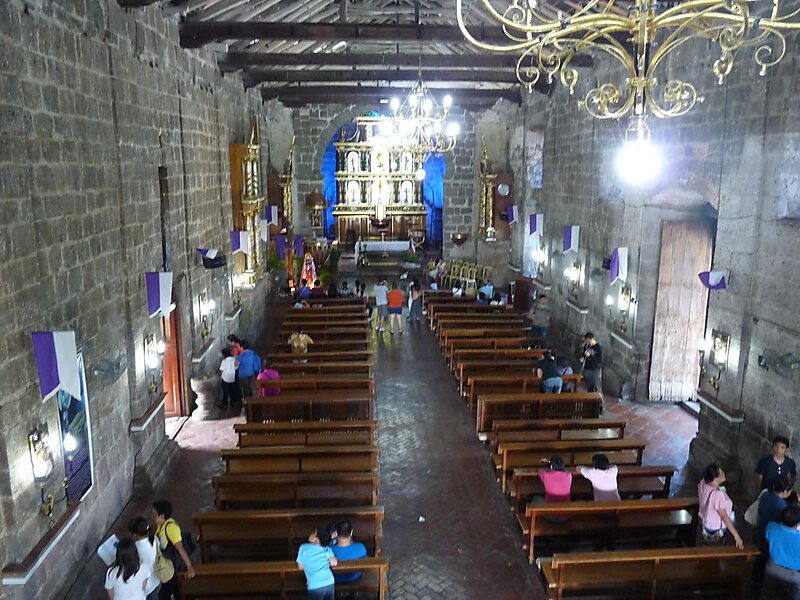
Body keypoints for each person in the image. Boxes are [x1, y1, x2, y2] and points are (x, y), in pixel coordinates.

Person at [151, 500, 194, 600]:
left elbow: (181, 549)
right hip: (168, 564)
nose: (152, 516)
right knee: (177, 591)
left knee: (163, 596)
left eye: (154, 514)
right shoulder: (160, 525)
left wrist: (189, 566)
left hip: (173, 567)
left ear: (162, 516)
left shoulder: (171, 528)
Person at [754, 477, 794, 583]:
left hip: (762, 529)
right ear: (785, 491)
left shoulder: (765, 495)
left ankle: (755, 579)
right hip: (773, 534)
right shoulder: (781, 506)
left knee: (760, 558)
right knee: (766, 556)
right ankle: (761, 581)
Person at [697, 463, 744, 549]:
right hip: (715, 527)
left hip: (705, 521)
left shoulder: (703, 483)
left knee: (707, 546)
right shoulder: (717, 495)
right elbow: (724, 516)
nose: (724, 474)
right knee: (715, 549)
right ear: (715, 478)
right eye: (721, 474)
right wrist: (736, 536)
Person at [764, 505, 800, 599]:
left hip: (772, 568)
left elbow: (768, 538)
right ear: (797, 524)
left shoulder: (771, 527)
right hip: (792, 576)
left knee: (769, 595)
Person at [296, 527, 338, 600]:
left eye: (314, 533)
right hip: (329, 582)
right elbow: (334, 563)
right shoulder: (327, 549)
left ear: (316, 539)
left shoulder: (303, 547)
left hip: (315, 586)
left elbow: (300, 566)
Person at [129, 517, 160, 600]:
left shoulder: (137, 548)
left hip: (147, 584)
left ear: (135, 534)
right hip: (156, 576)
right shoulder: (154, 538)